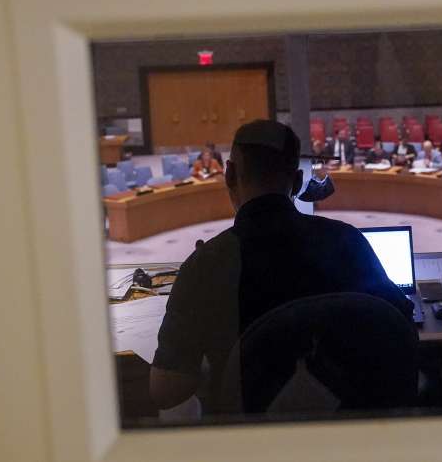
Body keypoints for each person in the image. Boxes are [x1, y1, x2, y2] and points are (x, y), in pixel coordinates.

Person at [149, 120, 413, 410]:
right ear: (298, 182)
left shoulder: (204, 266)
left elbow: (166, 391)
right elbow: (399, 325)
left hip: (254, 445)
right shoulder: (347, 241)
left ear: (229, 175)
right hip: (349, 436)